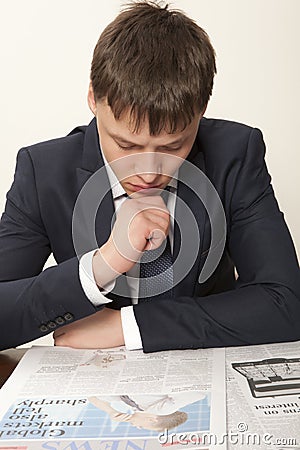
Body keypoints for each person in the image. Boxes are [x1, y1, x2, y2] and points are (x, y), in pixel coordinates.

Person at [0, 1, 299, 352]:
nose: (147, 171)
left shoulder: (235, 154)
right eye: (126, 144)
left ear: (201, 111)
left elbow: (286, 303)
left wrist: (128, 326)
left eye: (173, 147)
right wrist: (102, 265)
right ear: (94, 99)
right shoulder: (43, 171)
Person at [88, 392, 206, 431]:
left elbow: (91, 395)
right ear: (152, 419)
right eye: (142, 427)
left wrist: (110, 411)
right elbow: (199, 394)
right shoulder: (161, 408)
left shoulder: (130, 403)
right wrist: (161, 410)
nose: (137, 427)